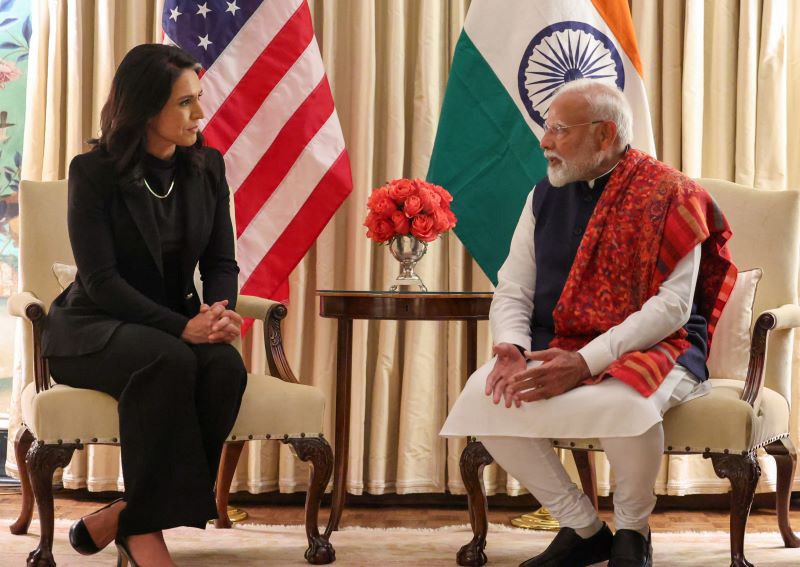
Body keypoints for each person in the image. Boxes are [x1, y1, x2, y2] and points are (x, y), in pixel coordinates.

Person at [441, 79, 736, 567]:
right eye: (547, 128)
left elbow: (672, 309)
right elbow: (513, 287)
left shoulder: (672, 194)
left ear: (604, 135)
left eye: (559, 129)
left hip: (661, 345)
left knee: (625, 398)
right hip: (558, 342)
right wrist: (511, 346)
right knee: (484, 396)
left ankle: (633, 534)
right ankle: (583, 528)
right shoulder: (542, 196)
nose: (545, 142)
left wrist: (584, 361)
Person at [42, 44, 247, 567]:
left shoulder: (208, 167)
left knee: (224, 367)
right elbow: (101, 281)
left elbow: (222, 260)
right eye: (184, 103)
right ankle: (143, 535)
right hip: (94, 328)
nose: (199, 114)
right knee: (170, 358)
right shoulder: (94, 173)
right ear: (144, 108)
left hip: (170, 328)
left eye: (198, 99)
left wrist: (218, 313)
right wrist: (184, 329)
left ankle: (131, 515)